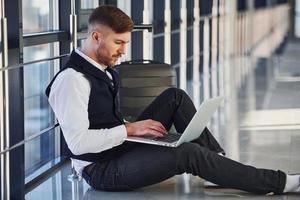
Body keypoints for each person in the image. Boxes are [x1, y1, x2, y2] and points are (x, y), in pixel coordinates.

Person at [46, 5, 300, 195]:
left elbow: (100, 118)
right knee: (186, 154)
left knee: (174, 97)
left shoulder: (100, 67)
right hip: (101, 170)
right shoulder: (72, 81)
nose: (123, 51)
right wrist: (130, 129)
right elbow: (78, 144)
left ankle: (216, 166)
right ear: (96, 37)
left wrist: (132, 129)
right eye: (119, 43)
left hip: (115, 147)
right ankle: (276, 182)